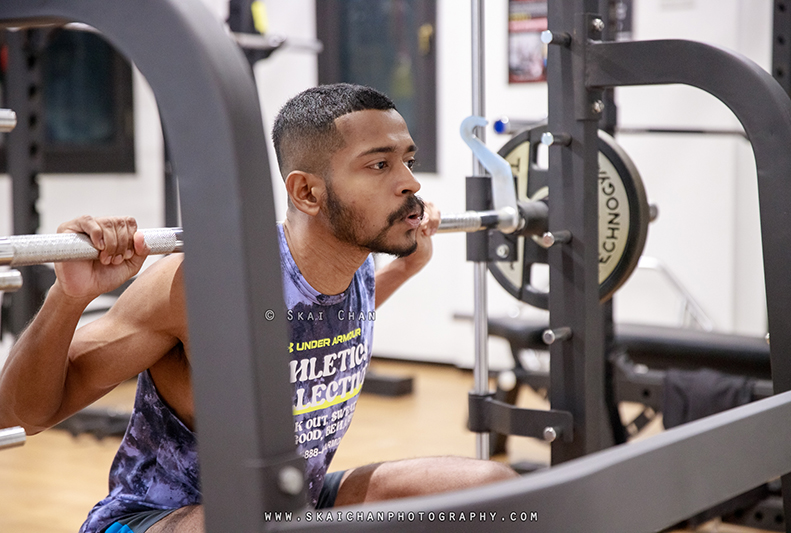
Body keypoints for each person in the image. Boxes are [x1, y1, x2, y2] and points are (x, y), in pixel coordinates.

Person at [0, 84, 517, 533]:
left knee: (495, 497)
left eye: (409, 160)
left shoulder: (354, 257)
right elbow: (25, 412)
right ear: (308, 192)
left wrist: (404, 267)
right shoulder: (201, 282)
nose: (410, 182)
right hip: (158, 519)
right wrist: (69, 297)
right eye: (380, 164)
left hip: (284, 508)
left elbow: (308, 330)